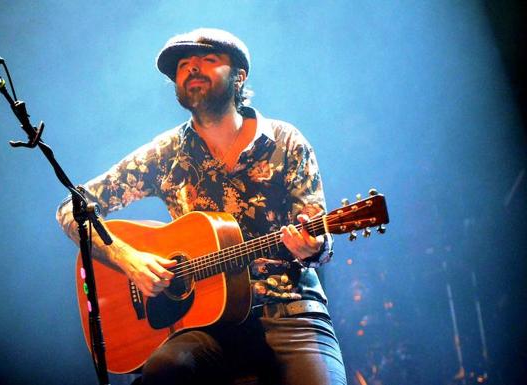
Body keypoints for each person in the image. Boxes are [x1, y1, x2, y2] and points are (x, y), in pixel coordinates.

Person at [56, 28, 346, 385]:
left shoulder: (286, 142)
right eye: (182, 66)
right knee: (163, 372)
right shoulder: (164, 154)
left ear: (239, 77)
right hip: (208, 324)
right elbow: (71, 209)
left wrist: (314, 246)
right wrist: (128, 260)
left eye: (207, 60)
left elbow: (319, 238)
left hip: (289, 308)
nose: (191, 69)